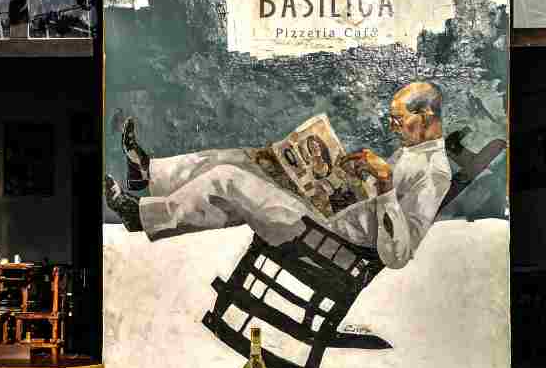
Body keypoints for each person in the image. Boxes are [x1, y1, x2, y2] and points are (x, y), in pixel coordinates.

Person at [105, 81, 452, 269]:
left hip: (326, 240)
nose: (393, 128)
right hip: (323, 218)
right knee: (251, 158)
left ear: (426, 116)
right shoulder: (413, 150)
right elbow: (373, 202)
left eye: (398, 120)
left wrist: (386, 185)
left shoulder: (435, 173)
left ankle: (142, 215)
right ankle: (149, 173)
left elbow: (399, 255)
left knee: (228, 178)